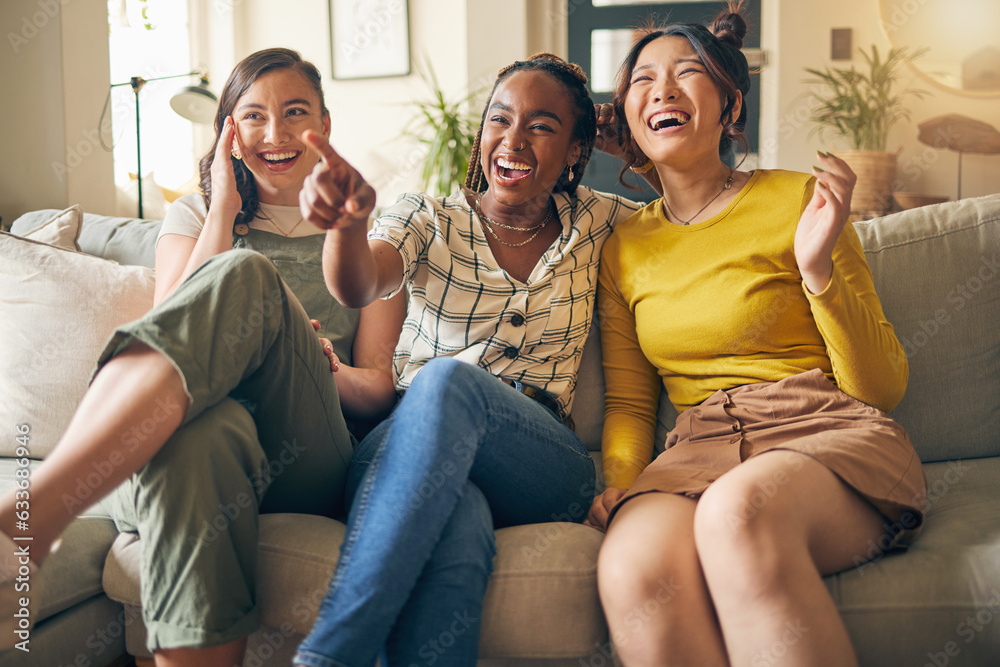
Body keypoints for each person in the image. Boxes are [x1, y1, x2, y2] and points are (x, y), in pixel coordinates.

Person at [0, 48, 404, 666]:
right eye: (253, 117)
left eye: (295, 113)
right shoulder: (194, 215)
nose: (275, 133)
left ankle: (43, 506)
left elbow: (380, 390)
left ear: (325, 124)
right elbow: (170, 327)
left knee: (248, 276)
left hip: (309, 452)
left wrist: (330, 368)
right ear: (227, 133)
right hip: (200, 428)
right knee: (202, 438)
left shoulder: (359, 234)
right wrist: (221, 211)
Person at [584, 4, 928, 666]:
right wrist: (624, 480)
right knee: (630, 565)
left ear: (729, 105)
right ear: (629, 115)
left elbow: (881, 386)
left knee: (736, 512)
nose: (663, 89)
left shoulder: (802, 199)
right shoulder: (621, 246)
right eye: (643, 81)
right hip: (699, 448)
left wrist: (817, 267)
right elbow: (631, 401)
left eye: (687, 73)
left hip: (823, 433)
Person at [290, 53, 650, 667]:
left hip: (536, 464)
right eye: (499, 120)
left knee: (447, 380)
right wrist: (347, 227)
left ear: (574, 150)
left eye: (541, 126)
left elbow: (698, 210)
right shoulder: (426, 217)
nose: (512, 141)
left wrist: (635, 149)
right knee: (457, 524)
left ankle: (331, 653)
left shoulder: (602, 221)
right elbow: (359, 283)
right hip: (401, 448)